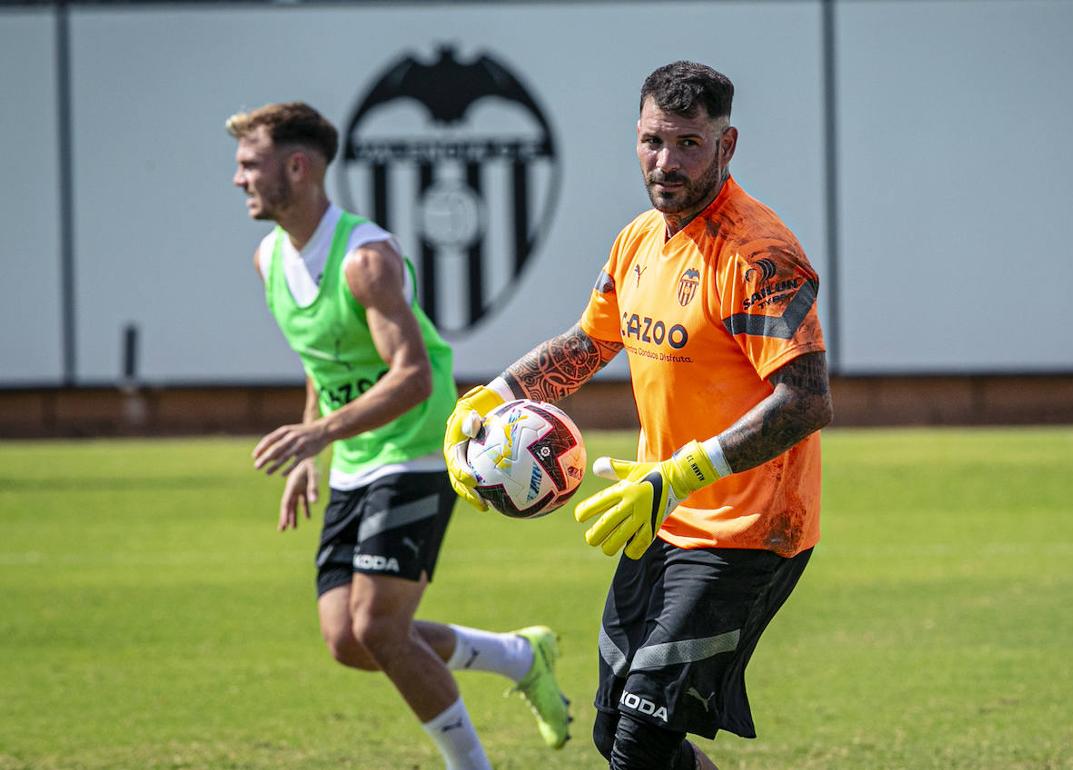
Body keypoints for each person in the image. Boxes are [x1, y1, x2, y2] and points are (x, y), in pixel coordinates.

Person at [443, 62, 833, 770]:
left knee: (641, 742)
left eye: (688, 143)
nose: (667, 161)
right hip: (658, 518)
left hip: (747, 532)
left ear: (727, 145)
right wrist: (492, 397)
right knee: (616, 731)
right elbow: (592, 341)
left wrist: (684, 472)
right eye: (655, 140)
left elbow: (807, 400)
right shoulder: (637, 240)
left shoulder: (759, 254)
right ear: (636, 135)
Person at [228, 101, 570, 769]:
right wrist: (315, 443)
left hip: (416, 447)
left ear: (296, 167)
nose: (238, 179)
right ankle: (519, 655)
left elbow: (412, 378)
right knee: (347, 641)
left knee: (378, 627)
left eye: (249, 164)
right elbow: (321, 360)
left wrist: (317, 432)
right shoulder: (269, 259)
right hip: (357, 454)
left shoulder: (366, 259)